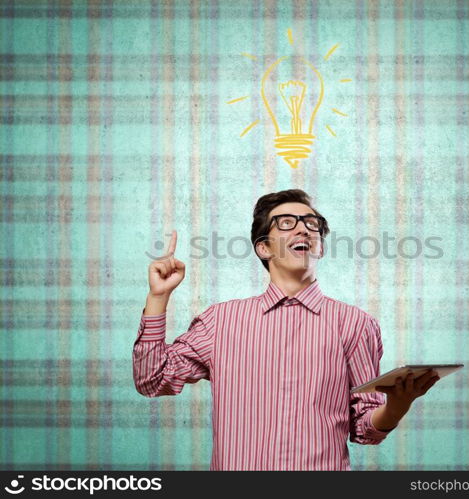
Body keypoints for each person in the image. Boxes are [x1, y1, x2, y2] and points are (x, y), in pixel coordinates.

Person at [132, 189, 439, 470]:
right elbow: (151, 380)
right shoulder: (220, 321)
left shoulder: (356, 324)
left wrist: (399, 404)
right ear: (264, 247)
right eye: (287, 222)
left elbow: (364, 429)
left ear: (318, 247)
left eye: (311, 223)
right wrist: (158, 297)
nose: (304, 227)